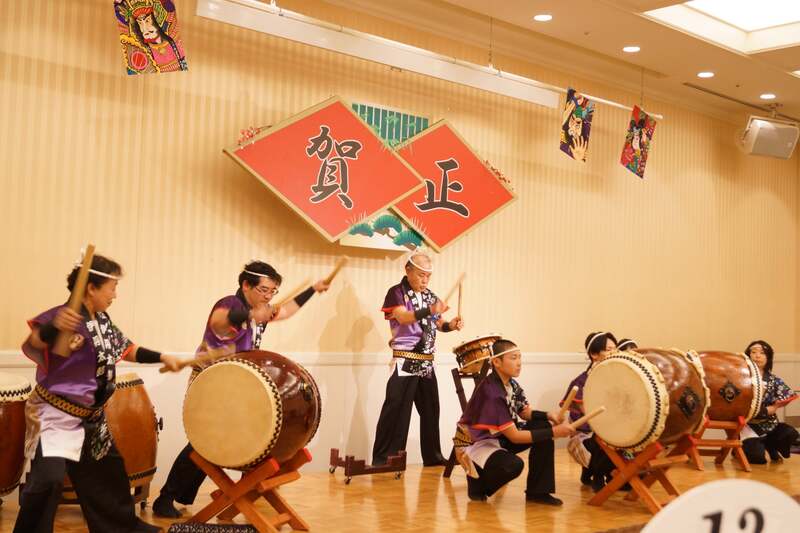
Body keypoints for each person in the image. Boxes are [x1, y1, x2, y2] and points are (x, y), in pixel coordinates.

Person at [14, 254, 181, 533]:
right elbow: (34, 343)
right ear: (91, 287)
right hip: (57, 415)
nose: (115, 294)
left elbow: (127, 349)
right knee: (49, 480)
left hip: (92, 418)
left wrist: (163, 356)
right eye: (112, 287)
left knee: (108, 476)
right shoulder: (60, 317)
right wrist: (55, 328)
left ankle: (122, 528)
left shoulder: (102, 320)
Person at [153, 260, 330, 518]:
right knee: (204, 443)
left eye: (273, 291)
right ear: (246, 285)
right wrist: (249, 315)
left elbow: (285, 311)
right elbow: (219, 320)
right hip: (210, 380)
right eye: (264, 290)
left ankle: (189, 494)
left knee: (221, 441)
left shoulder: (260, 308)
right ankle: (165, 499)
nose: (269, 297)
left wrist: (313, 289)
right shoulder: (232, 304)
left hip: (235, 384)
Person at [453, 339, 575, 505]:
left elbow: (524, 412)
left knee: (542, 426)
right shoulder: (492, 393)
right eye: (513, 358)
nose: (519, 363)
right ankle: (478, 485)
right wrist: (556, 432)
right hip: (475, 443)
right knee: (512, 465)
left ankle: (538, 492)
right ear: (496, 362)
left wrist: (549, 415)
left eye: (520, 358)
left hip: (497, 437)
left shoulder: (510, 383)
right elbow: (515, 437)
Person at [371, 253, 463, 467]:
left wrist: (452, 325)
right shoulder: (396, 292)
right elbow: (402, 317)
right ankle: (386, 459)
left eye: (428, 277)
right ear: (408, 270)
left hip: (426, 361)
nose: (425, 280)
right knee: (397, 409)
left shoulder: (430, 296)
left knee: (431, 409)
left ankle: (432, 456)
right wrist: (431, 310)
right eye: (421, 275)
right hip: (405, 359)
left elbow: (439, 323)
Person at [561, 331, 619, 492]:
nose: (613, 353)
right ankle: (597, 473)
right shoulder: (581, 382)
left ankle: (595, 472)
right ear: (594, 354)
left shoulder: (620, 378)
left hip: (611, 433)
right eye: (608, 349)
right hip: (587, 436)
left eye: (615, 349)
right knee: (606, 440)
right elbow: (592, 418)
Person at [742, 340, 798, 464]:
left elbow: (788, 395)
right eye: (753, 352)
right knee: (757, 459)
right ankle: (740, 449)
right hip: (749, 425)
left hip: (769, 423)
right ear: (748, 356)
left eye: (762, 353)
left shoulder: (773, 379)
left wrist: (776, 406)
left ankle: (771, 445)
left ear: (768, 358)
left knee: (791, 433)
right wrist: (764, 410)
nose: (757, 356)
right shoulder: (741, 377)